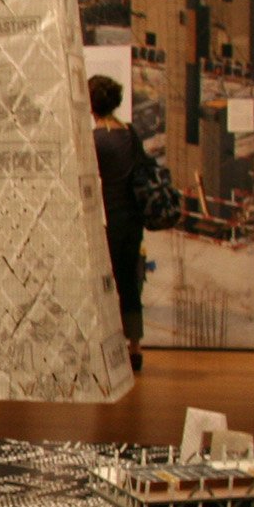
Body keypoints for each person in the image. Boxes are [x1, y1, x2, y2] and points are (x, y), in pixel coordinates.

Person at [88, 72, 152, 372]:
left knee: (103, 283)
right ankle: (134, 347)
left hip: (107, 221)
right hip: (132, 220)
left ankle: (104, 345)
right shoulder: (130, 133)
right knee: (129, 283)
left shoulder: (96, 140)